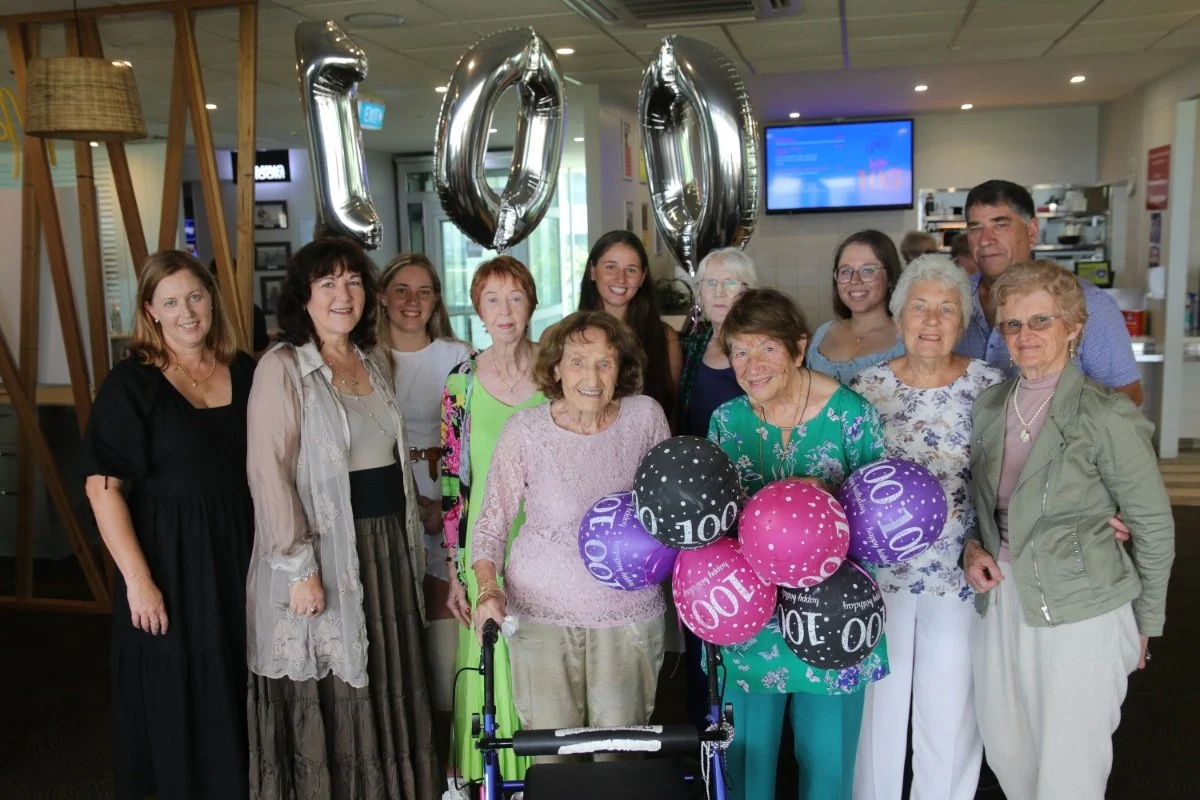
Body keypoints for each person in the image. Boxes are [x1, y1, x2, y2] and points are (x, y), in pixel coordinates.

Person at [963, 260, 1174, 800]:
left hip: (1082, 605)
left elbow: (1152, 524)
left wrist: (1146, 621)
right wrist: (971, 548)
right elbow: (977, 507)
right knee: (1009, 752)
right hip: (1001, 601)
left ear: (1074, 326)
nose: (1026, 335)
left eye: (1041, 320)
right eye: (1013, 324)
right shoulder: (990, 407)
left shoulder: (1106, 415)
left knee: (1069, 771)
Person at [244, 238, 440, 799]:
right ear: (303, 297)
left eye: (353, 281)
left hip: (384, 550)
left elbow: (388, 458)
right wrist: (298, 567)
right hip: (324, 553)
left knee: (389, 680)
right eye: (327, 283)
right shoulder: (283, 367)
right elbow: (268, 472)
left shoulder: (372, 358)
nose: (343, 294)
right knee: (335, 686)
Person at [81, 250, 256, 799]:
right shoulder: (130, 384)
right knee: (178, 691)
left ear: (212, 301)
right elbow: (102, 489)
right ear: (151, 311)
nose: (187, 312)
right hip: (169, 564)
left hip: (243, 555)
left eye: (196, 297)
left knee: (243, 683)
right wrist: (138, 581)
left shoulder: (246, 370)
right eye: (172, 302)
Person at [708, 288, 888, 800]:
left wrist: (828, 496)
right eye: (740, 351)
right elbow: (715, 523)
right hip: (749, 618)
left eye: (766, 347)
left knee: (828, 763)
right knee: (745, 763)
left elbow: (878, 522)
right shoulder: (727, 420)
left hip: (832, 615)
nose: (752, 365)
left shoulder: (851, 414)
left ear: (799, 347)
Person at [471, 310, 671, 741]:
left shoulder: (645, 417)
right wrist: (488, 589)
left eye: (605, 362)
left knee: (621, 753)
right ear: (557, 368)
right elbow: (490, 524)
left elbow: (670, 512)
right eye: (578, 362)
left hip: (627, 617)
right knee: (551, 753)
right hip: (540, 616)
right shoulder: (525, 430)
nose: (592, 377)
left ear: (621, 368)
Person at [848, 255, 1006, 800]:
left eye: (946, 309)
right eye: (920, 307)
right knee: (878, 707)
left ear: (963, 321)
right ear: (898, 317)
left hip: (959, 568)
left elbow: (1011, 472)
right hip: (880, 574)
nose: (932, 321)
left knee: (951, 708)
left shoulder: (989, 386)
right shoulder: (866, 389)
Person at [441, 255, 544, 788]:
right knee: (489, 656)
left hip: (547, 541)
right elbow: (451, 480)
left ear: (532, 304)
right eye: (492, 300)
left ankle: (545, 777)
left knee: (542, 656)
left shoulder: (557, 370)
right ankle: (493, 780)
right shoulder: (461, 382)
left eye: (515, 298)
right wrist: (455, 569)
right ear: (478, 311)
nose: (505, 311)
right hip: (484, 548)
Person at [375, 253, 471, 767]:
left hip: (448, 496)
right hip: (388, 498)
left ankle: (451, 757)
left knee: (444, 648)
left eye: (424, 291)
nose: (412, 301)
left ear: (436, 300)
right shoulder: (365, 357)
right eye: (401, 290)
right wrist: (411, 504)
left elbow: (472, 438)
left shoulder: (459, 356)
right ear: (383, 296)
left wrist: (445, 507)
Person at [957, 179, 1143, 405]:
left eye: (1000, 225)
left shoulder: (1089, 304)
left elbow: (1126, 398)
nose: (986, 240)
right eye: (975, 228)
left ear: (1032, 231)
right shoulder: (951, 301)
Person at [675, 246, 759, 728]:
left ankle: (742, 727)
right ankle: (702, 731)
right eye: (712, 283)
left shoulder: (760, 347)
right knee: (699, 610)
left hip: (749, 500)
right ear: (700, 294)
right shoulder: (690, 348)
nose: (721, 292)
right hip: (695, 503)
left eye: (733, 283)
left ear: (750, 291)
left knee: (743, 611)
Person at [578, 230, 682, 423]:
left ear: (642, 277)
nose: (621, 278)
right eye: (611, 267)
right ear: (592, 271)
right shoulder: (567, 335)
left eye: (631, 270)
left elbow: (672, 409)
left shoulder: (666, 338)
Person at [807, 230, 905, 384]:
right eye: (846, 271)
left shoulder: (907, 340)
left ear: (891, 278)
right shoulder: (822, 334)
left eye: (868, 270)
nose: (855, 280)